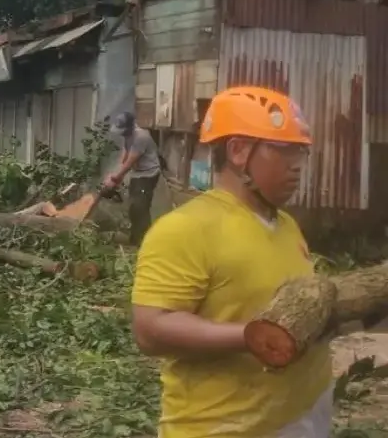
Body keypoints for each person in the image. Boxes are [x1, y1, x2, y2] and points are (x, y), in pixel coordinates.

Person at [131, 86, 331, 438]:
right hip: (224, 427)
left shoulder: (286, 224)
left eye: (300, 153)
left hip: (304, 410)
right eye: (284, 151)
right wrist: (251, 337)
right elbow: (150, 330)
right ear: (238, 151)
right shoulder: (185, 229)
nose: (297, 166)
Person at [103, 111, 162, 245]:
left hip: (148, 175)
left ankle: (144, 241)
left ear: (130, 126)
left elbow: (130, 162)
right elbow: (125, 154)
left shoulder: (141, 137)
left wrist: (116, 178)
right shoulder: (127, 135)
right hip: (137, 173)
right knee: (133, 208)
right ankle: (135, 238)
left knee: (140, 207)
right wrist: (115, 172)